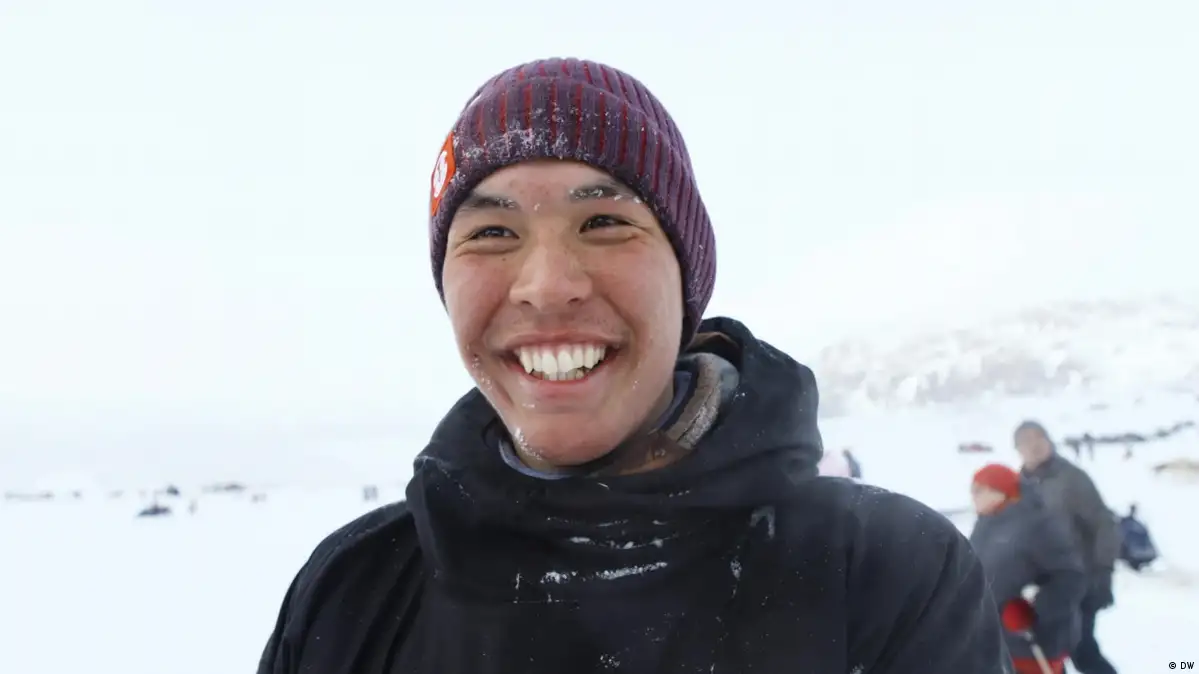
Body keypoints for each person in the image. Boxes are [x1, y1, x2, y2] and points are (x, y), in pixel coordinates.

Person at [256, 57, 1010, 674]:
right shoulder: (352, 593)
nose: (547, 285)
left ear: (684, 282)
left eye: (604, 222)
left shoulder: (883, 575)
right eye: (491, 233)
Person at [1015, 420, 1121, 674]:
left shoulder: (1071, 478)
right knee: (1049, 652)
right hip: (1044, 587)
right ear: (1018, 449)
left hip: (1081, 580)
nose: (1035, 445)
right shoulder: (1020, 486)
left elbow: (1104, 524)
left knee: (1081, 649)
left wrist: (1103, 571)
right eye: (1026, 441)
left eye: (1039, 437)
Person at [969, 464, 1086, 674]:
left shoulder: (1038, 524)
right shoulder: (984, 524)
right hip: (994, 639)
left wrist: (1032, 610)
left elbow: (1070, 577)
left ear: (1000, 490)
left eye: (979, 490)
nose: (973, 496)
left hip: (1032, 641)